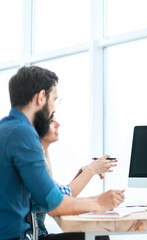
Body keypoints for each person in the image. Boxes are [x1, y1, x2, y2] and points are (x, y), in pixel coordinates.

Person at [0, 66, 125, 240]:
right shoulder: (23, 133)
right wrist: (98, 202)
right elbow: (52, 203)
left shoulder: (6, 129)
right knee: (98, 237)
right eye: (54, 100)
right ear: (41, 97)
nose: (54, 110)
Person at [34, 118, 115, 240]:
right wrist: (91, 170)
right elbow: (57, 200)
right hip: (35, 237)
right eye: (51, 121)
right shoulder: (32, 163)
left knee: (97, 234)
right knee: (98, 235)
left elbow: (59, 195)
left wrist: (82, 173)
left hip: (39, 235)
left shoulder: (40, 159)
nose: (58, 124)